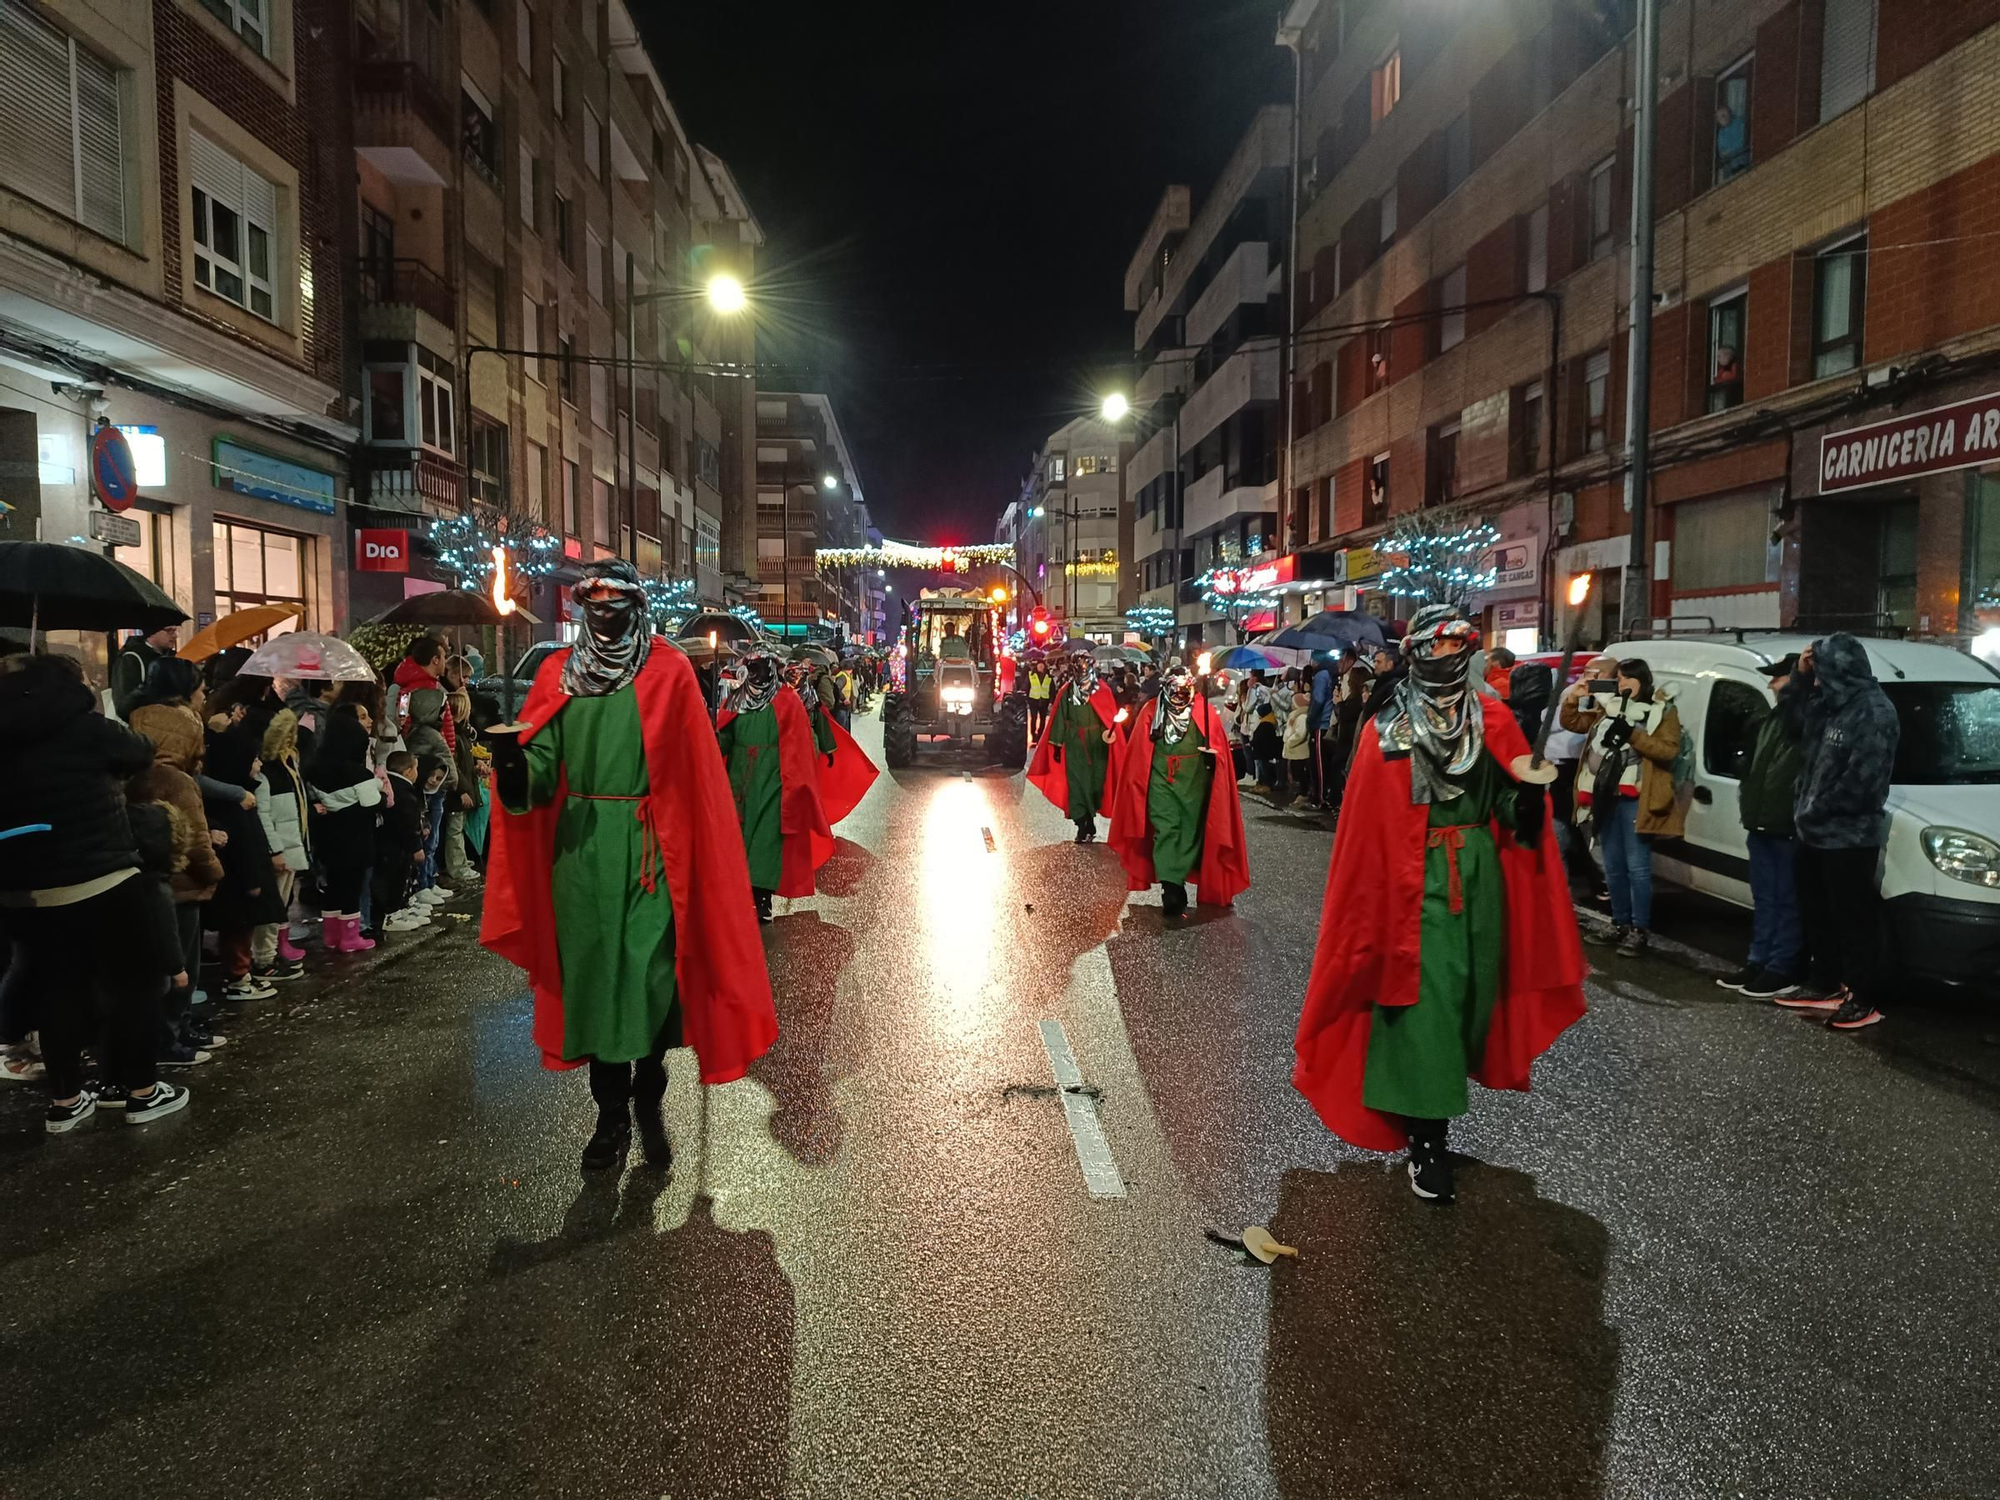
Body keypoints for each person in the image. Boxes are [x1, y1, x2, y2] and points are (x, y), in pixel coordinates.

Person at [483, 560, 778, 1173]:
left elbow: (696, 773)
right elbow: (538, 777)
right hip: (583, 857)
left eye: (618, 598)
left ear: (637, 605)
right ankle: (610, 1115)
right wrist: (513, 763)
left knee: (648, 981)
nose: (605, 609)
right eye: (594, 598)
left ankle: (649, 1098)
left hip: (652, 855)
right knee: (596, 985)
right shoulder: (557, 674)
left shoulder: (668, 670)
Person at [1293, 605, 1586, 1204]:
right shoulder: (1387, 729)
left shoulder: (1492, 716)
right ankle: (1428, 1136)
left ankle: (1427, 1111)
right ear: (1417, 655)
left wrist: (1525, 808)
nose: (1450, 659)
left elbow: (1508, 801)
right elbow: (1369, 824)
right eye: (1439, 648)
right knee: (1425, 1004)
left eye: (1461, 648)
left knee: (1466, 1006)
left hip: (1477, 881)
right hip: (1409, 887)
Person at [0, 653, 193, 1130]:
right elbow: (141, 750)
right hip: (105, 879)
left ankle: (66, 1102)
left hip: (28, 889)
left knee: (56, 988)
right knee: (134, 986)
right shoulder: (88, 729)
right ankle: (141, 1092)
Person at [1776, 635, 1899, 1031]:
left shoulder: (1874, 712)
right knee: (1817, 914)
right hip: (1814, 832)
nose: (1816, 678)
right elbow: (1792, 723)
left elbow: (1864, 782)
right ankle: (1824, 983)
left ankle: (1862, 998)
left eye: (1821, 668)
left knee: (1853, 919)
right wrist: (1798, 675)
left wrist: (1817, 808)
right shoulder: (1828, 703)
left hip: (1849, 837)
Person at [1105, 663, 1251, 918]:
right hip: (1161, 783)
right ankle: (1171, 887)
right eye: (1177, 692)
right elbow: (1138, 757)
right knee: (1167, 828)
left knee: (1191, 833)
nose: (1182, 697)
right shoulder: (1152, 712)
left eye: (1186, 692)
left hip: (1195, 783)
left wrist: (1213, 760)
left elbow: (1219, 749)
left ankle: (1179, 878)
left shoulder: (1204, 711)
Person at [1561, 658, 1685, 956]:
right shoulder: (1609, 706)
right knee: (1613, 867)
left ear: (1644, 680)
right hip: (1606, 797)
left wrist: (1632, 735)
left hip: (1636, 799)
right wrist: (1573, 699)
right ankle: (1619, 923)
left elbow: (1668, 750)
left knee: (1638, 868)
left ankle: (1639, 930)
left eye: (1630, 678)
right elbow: (1574, 723)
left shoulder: (1662, 711)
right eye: (1619, 678)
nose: (1624, 684)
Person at [127, 695, 229, 1050]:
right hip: (183, 884)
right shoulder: (179, 781)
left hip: (143, 883)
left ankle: (173, 1028)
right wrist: (214, 872)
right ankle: (172, 1035)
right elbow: (196, 841)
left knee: (158, 965)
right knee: (183, 965)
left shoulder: (129, 776)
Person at [717, 645, 832, 924]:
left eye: (763, 665)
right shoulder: (736, 699)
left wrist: (803, 771)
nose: (758, 671)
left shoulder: (787, 700)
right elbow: (724, 739)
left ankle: (762, 897)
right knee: (740, 839)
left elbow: (803, 741)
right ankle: (740, 893)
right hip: (740, 780)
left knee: (766, 840)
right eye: (753, 665)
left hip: (774, 779)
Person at [203, 714, 285, 1001]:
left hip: (246, 883)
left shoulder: (239, 798)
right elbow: (244, 847)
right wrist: (253, 881)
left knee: (241, 932)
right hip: (242, 886)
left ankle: (244, 975)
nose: (260, 765)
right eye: (254, 760)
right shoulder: (235, 806)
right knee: (238, 934)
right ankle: (239, 979)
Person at [1026, 647, 1121, 844]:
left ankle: (1091, 819)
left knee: (1095, 785)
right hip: (1075, 744)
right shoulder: (1067, 691)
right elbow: (1060, 718)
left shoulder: (1102, 690)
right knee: (1076, 786)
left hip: (1097, 746)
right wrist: (1057, 744)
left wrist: (1111, 736)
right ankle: (1082, 824)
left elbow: (1109, 717)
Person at [309, 709, 383, 953]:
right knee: (352, 887)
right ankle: (350, 937)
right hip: (356, 840)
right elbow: (373, 803)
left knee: (333, 886)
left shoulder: (316, 769)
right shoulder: (357, 773)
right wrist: (380, 789)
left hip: (328, 838)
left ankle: (331, 935)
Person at [253, 709, 311, 983]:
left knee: (279, 904)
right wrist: (275, 850)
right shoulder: (269, 774)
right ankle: (263, 959)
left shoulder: (288, 770)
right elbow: (264, 815)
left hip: (288, 846)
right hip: (280, 849)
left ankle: (270, 954)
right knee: (270, 907)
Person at [403, 686, 457, 903]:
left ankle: (429, 881)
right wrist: (447, 781)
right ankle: (425, 884)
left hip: (430, 793)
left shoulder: (420, 733)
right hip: (433, 794)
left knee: (430, 841)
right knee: (430, 841)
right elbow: (438, 764)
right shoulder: (429, 735)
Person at [374, 750, 432, 935]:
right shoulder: (403, 792)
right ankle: (392, 916)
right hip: (396, 846)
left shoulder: (394, 786)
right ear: (408, 771)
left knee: (401, 878)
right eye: (416, 768)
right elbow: (407, 822)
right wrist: (416, 846)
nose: (417, 772)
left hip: (393, 844)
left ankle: (401, 908)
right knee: (395, 879)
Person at [443, 687, 482, 889]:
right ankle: (457, 867)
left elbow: (466, 761)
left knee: (459, 827)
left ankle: (461, 860)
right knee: (454, 830)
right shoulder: (455, 738)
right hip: (457, 792)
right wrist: (463, 790)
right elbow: (455, 767)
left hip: (464, 786)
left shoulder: (463, 735)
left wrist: (477, 764)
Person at [111, 624, 178, 721]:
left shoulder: (172, 658)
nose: (175, 635)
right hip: (142, 727)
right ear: (153, 632)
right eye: (169, 630)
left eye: (176, 630)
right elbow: (123, 706)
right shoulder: (131, 659)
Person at [1024, 655, 1055, 745]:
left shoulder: (1048, 677)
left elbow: (1052, 690)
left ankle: (1040, 735)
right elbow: (1026, 687)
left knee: (1042, 719)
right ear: (1036, 667)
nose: (1041, 667)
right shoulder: (1031, 676)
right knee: (1033, 718)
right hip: (1034, 700)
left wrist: (1051, 701)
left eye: (1042, 666)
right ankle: (1033, 735)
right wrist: (1026, 698)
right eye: (1039, 665)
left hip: (1044, 700)